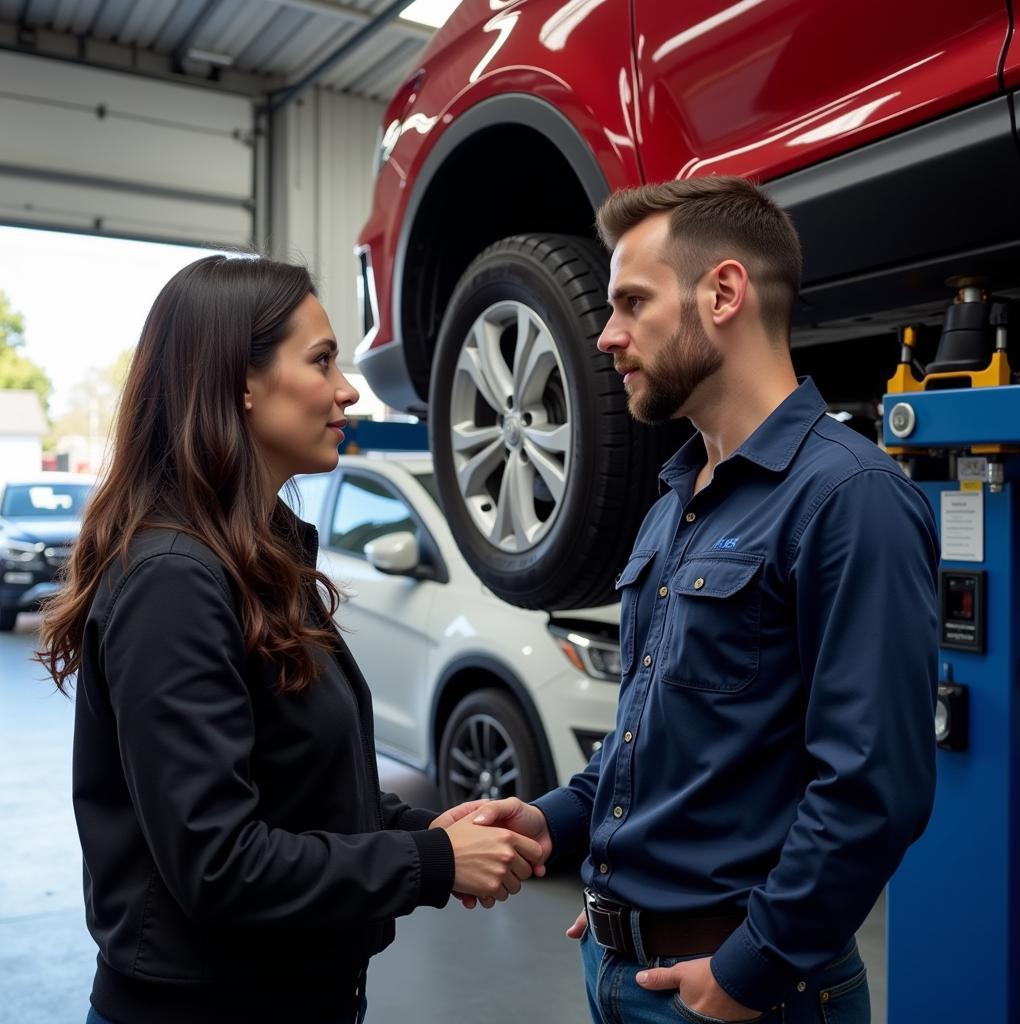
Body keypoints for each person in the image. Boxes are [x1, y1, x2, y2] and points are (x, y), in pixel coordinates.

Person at [468, 177, 939, 1023]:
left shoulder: (849, 497)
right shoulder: (672, 503)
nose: (607, 335)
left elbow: (874, 786)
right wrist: (555, 823)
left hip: (745, 993)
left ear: (723, 292)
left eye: (632, 302)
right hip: (620, 966)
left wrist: (751, 967)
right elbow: (655, 741)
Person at [36, 255, 543, 1024]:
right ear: (240, 382)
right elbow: (217, 863)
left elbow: (293, 789)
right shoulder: (173, 580)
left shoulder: (254, 558)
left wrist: (423, 828)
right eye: (322, 360)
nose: (346, 389)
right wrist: (432, 864)